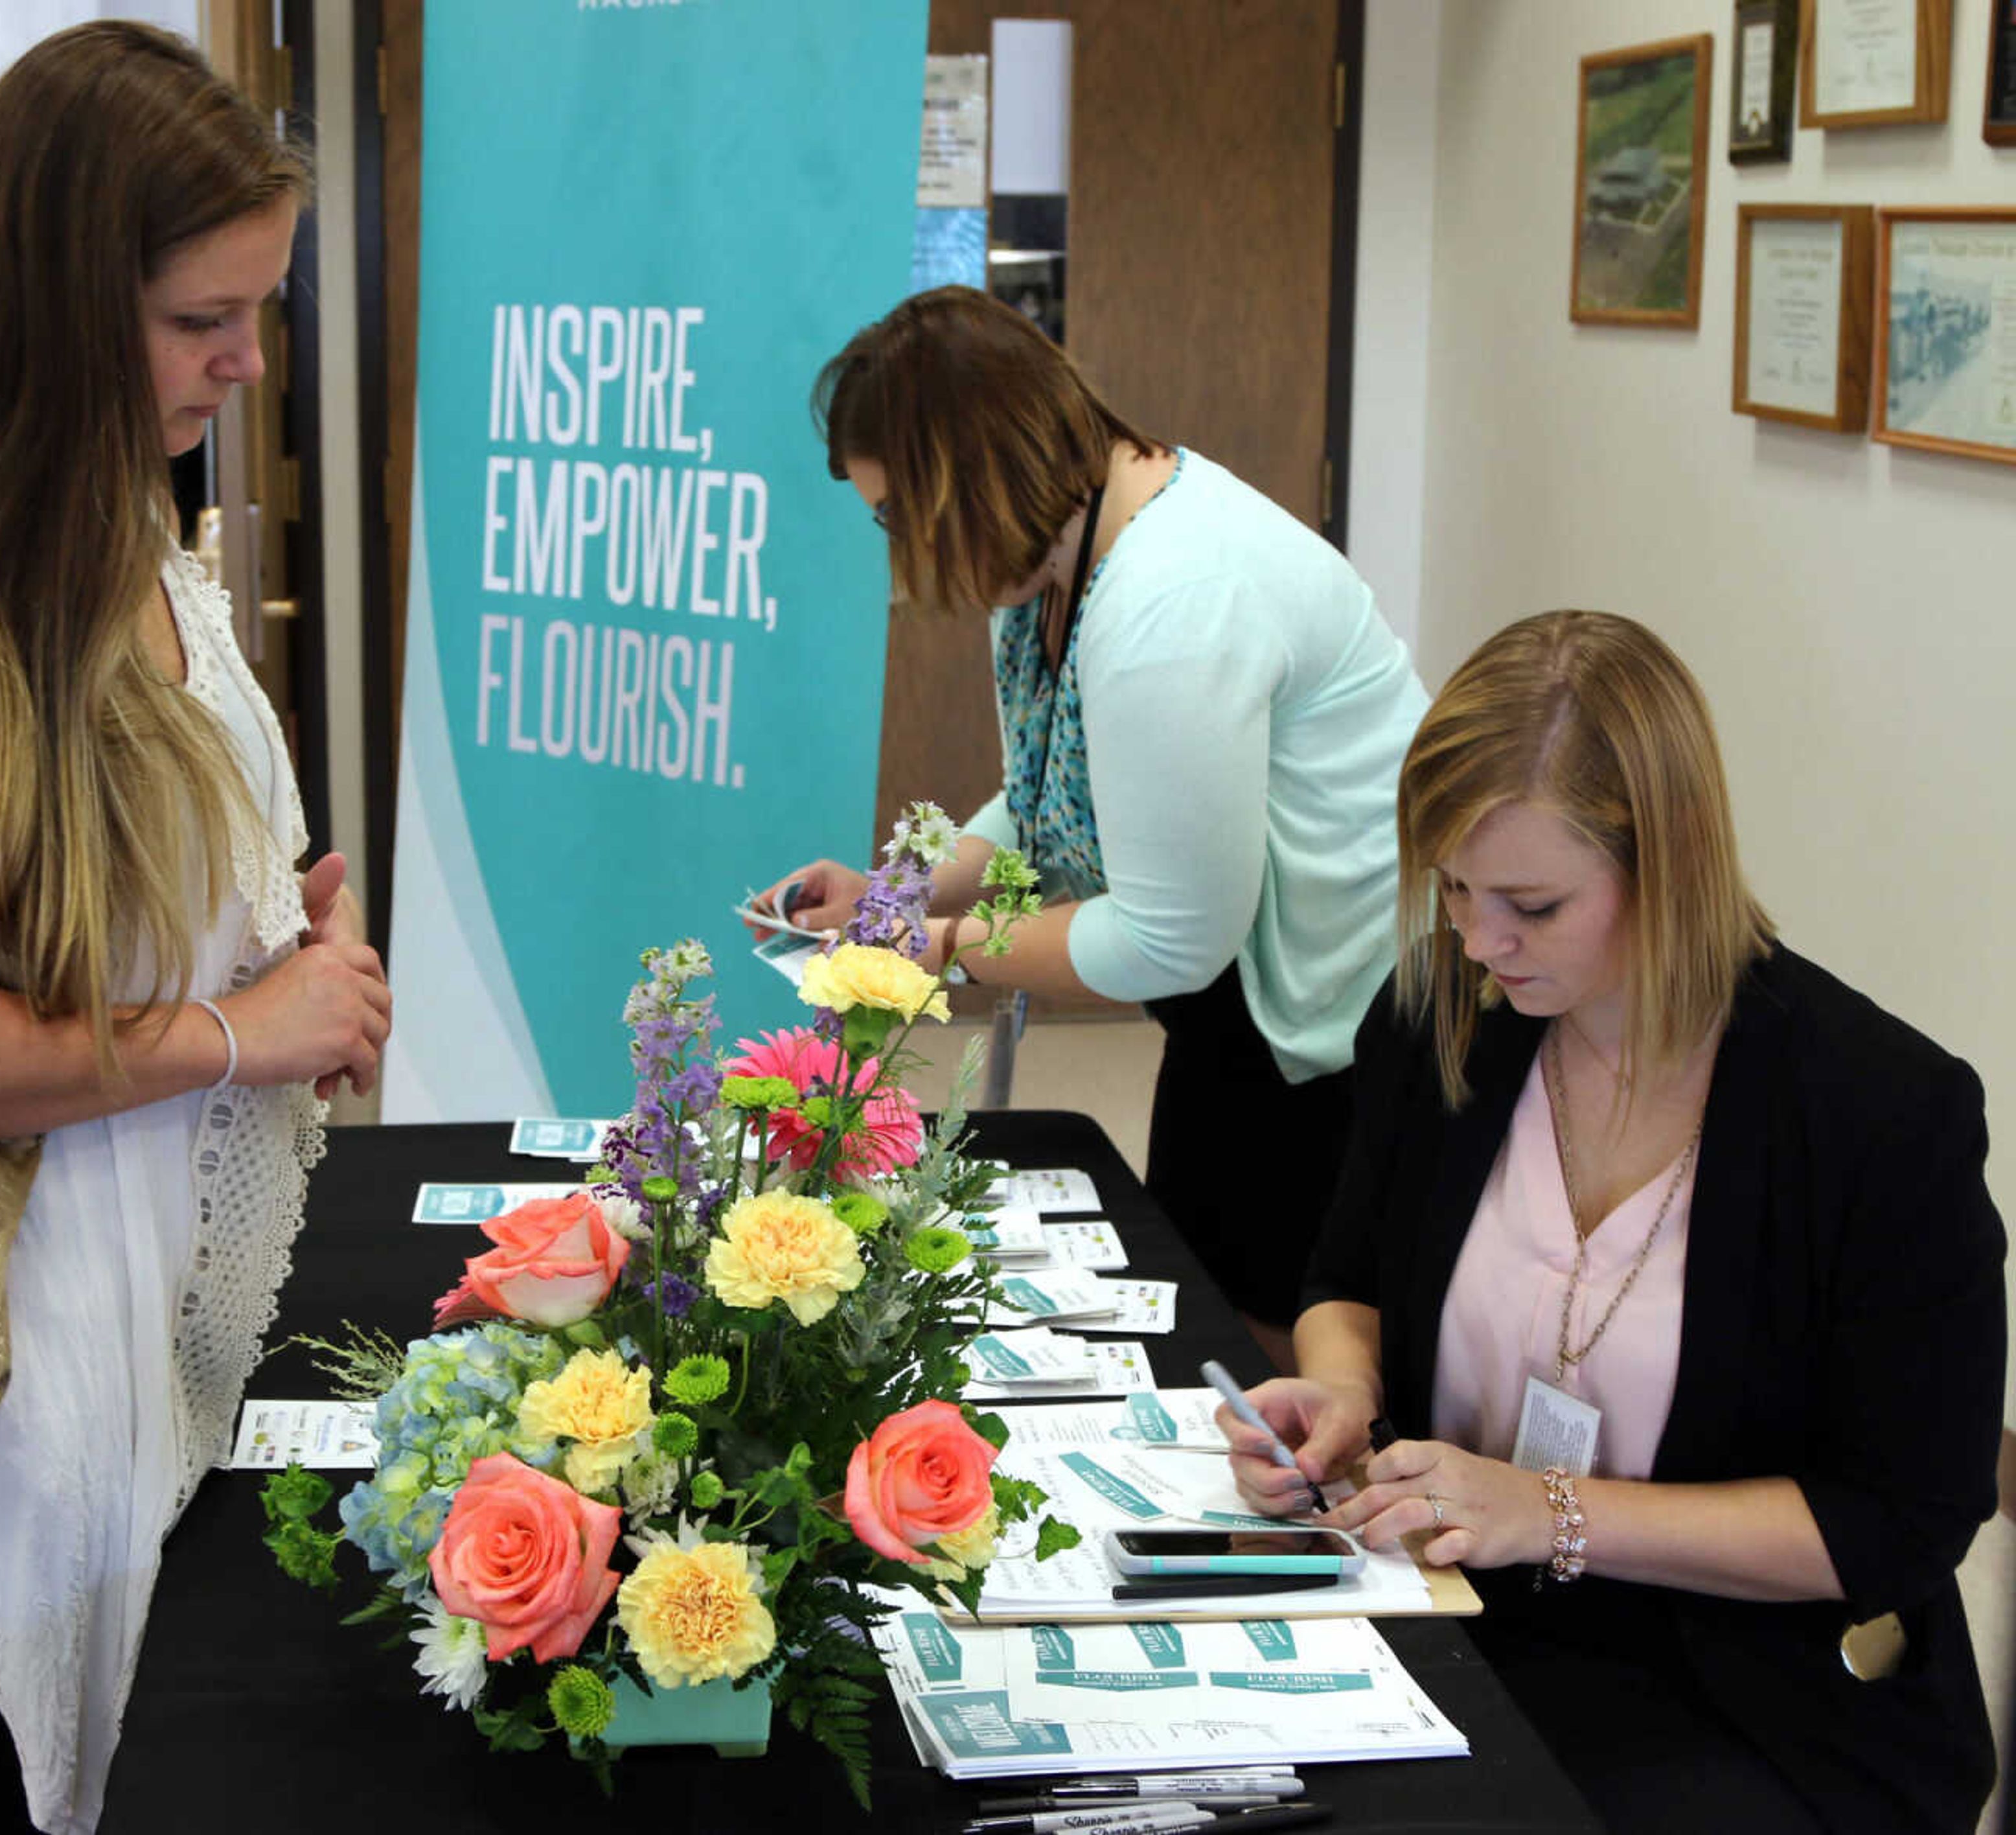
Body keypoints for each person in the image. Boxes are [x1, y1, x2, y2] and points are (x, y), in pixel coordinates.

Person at [0, 25, 391, 1834]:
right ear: (57, 296)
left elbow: (107, 881)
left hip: (152, 1321)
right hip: (9, 1384)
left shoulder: (110, 486)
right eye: (208, 317)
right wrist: (235, 1031)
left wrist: (270, 934)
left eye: (257, 310)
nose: (247, 362)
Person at [1221, 611, 2004, 1832]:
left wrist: (1550, 1511)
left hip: (1751, 1686)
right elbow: (1346, 1276)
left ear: (1671, 865)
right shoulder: (1445, 1012)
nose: (1481, 942)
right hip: (1466, 1609)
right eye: (1456, 888)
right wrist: (1342, 1394)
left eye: (1532, 904)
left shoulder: (1878, 1113)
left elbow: (1899, 1520)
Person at [755, 286, 1426, 1365]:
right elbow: (1043, 795)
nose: (898, 552)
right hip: (1240, 994)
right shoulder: (1060, 558)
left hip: (1337, 1017)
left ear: (972, 482)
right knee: (1198, 1291)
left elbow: (1167, 939)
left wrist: (931, 953)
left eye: (896, 517)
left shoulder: (1169, 599)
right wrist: (898, 890)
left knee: (1268, 1344)